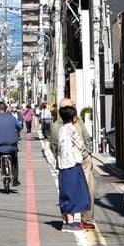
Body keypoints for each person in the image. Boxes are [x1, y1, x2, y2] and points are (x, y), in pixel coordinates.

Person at [50, 98, 95, 230]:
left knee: (67, 191)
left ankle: (68, 220)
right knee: (83, 190)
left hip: (66, 163)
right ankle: (84, 219)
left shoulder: (57, 127)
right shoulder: (74, 123)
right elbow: (85, 139)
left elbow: (54, 146)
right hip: (77, 161)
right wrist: (87, 153)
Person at [0, 103, 23, 186]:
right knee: (14, 161)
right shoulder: (12, 118)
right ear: (6, 110)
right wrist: (18, 133)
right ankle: (15, 180)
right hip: (12, 146)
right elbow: (20, 127)